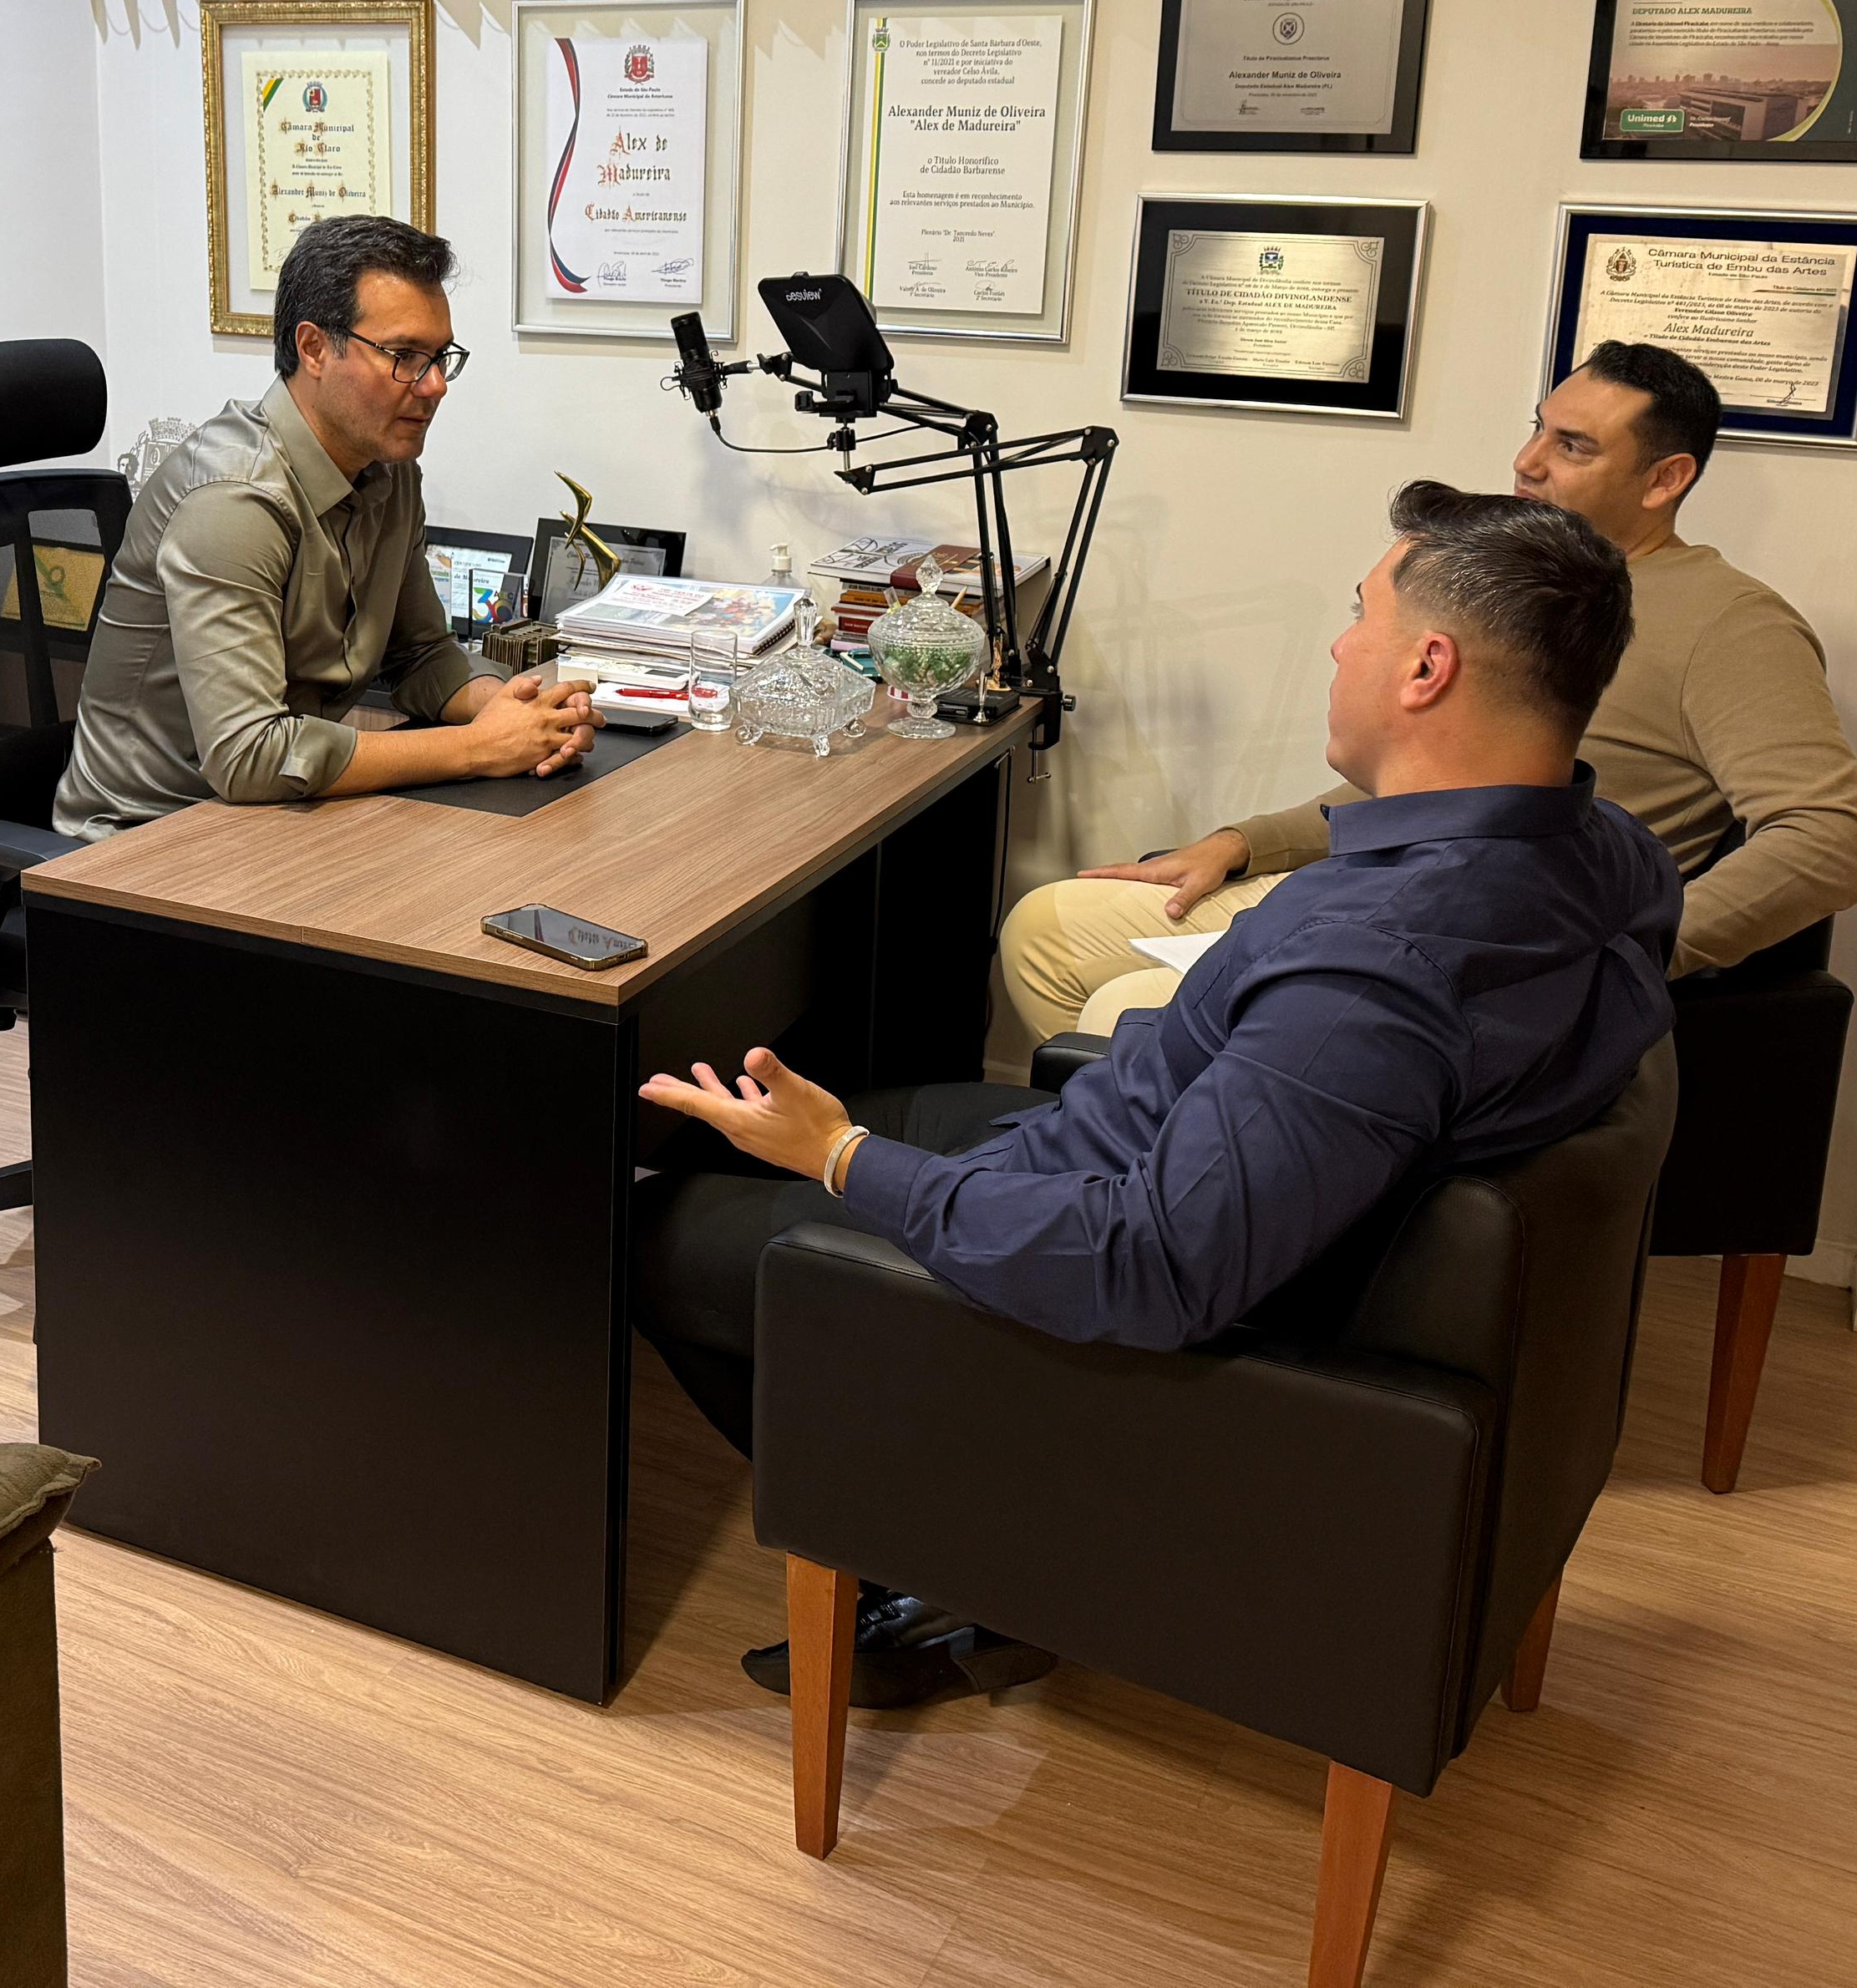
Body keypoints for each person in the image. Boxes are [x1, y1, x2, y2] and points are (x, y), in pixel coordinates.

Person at [632, 483, 1682, 1707]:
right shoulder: (1608, 854)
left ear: (1426, 668)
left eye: (1361, 616)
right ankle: (916, 1481)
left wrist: (842, 1158)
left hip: (1103, 1248)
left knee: (650, 1224)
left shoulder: (1376, 978)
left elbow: (1146, 1267)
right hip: (1121, 1148)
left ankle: (951, 1552)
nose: (1339, 645)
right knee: (750, 1129)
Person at [1000, 339, 1857, 1043]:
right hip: (1372, 881)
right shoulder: (1524, 584)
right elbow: (1432, 773)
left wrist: (1636, 949)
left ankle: (1198, 1186)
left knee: (1130, 1012)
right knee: (1046, 929)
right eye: (1538, 430)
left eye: (1572, 447)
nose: (1526, 463)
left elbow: (1828, 839)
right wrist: (1244, 842)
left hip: (1487, 931)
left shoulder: (1733, 625)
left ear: (1664, 479)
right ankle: (1135, 1162)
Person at [53, 216, 595, 839]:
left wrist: (516, 709)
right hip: (146, 842)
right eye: (404, 357)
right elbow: (249, 754)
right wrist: (479, 747)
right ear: (313, 348)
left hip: (284, 821)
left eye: (441, 357)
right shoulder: (233, 499)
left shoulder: (389, 472)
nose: (436, 385)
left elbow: (419, 655)